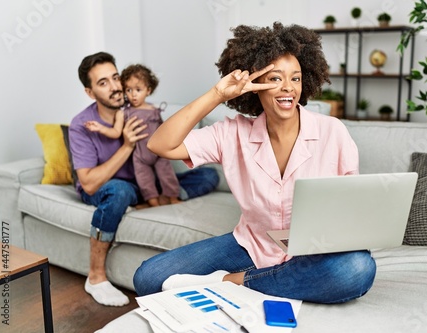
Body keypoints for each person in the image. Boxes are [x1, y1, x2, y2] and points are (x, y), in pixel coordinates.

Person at [133, 22, 376, 304]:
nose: (288, 88)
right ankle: (279, 281)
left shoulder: (333, 132)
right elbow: (160, 144)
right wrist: (218, 95)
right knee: (148, 278)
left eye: (295, 78)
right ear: (255, 85)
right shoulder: (233, 133)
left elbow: (353, 209)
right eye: (275, 79)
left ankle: (229, 283)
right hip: (253, 244)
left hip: (316, 250)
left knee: (357, 270)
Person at [70, 52, 219, 307]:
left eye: (115, 77)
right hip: (107, 187)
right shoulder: (82, 124)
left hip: (143, 184)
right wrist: (127, 145)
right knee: (119, 191)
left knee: (208, 174)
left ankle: (142, 202)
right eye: (103, 83)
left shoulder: (136, 110)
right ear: (90, 92)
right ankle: (95, 277)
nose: (115, 87)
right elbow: (89, 183)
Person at [84, 64, 182, 206]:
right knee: (144, 180)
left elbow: (163, 130)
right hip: (139, 156)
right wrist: (100, 128)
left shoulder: (154, 110)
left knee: (168, 176)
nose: (133, 94)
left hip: (159, 153)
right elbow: (116, 132)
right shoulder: (123, 112)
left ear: (148, 90)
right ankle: (153, 202)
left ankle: (172, 197)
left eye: (138, 90)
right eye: (128, 90)